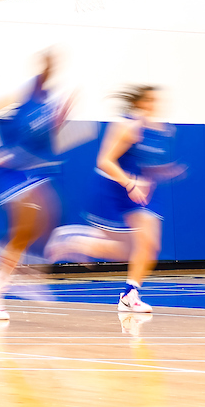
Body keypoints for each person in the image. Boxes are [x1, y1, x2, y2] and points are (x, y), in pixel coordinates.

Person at [45, 85, 183, 314]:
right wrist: (129, 183)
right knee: (140, 245)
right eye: (149, 101)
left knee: (144, 248)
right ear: (138, 103)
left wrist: (164, 171)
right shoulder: (127, 126)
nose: (153, 105)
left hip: (144, 190)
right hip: (116, 186)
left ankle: (76, 245)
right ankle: (127, 292)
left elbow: (145, 164)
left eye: (155, 101)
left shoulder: (160, 130)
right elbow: (105, 161)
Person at [0, 50, 73, 320]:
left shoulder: (48, 104)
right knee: (34, 219)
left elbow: (47, 136)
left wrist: (60, 120)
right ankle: (8, 276)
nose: (53, 69)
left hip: (31, 171)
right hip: (10, 170)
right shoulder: (24, 95)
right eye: (49, 66)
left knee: (38, 224)